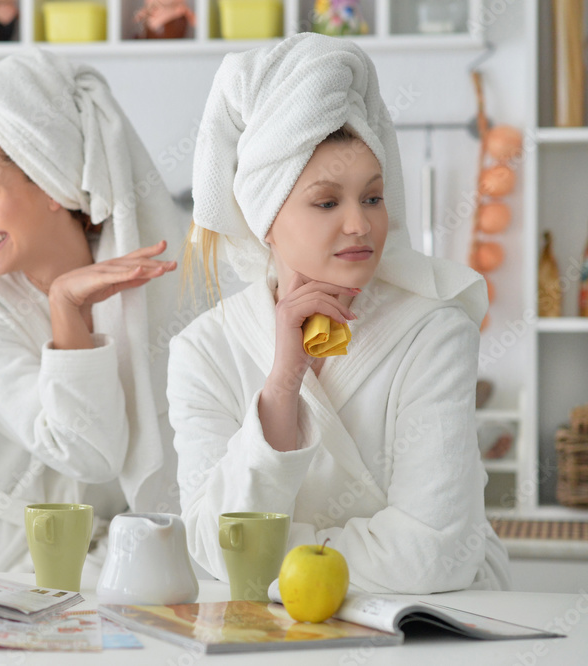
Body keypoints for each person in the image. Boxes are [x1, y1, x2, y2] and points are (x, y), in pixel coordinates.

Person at [169, 33, 511, 592]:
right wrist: (282, 385)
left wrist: (272, 558)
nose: (360, 224)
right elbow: (209, 549)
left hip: (433, 625)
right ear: (264, 220)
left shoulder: (434, 329)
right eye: (327, 202)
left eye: (372, 198)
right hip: (272, 632)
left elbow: (435, 554)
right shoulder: (204, 350)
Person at [0, 49, 188, 573]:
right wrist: (65, 304)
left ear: (50, 185)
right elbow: (88, 454)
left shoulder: (147, 294)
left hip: (96, 562)